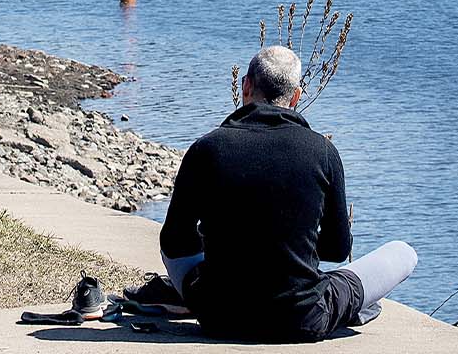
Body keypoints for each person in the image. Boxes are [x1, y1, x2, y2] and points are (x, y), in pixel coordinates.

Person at [155, 46, 418, 343]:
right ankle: (348, 306)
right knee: (403, 253)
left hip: (220, 316)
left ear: (246, 86)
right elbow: (337, 248)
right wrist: (290, 245)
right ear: (296, 96)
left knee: (178, 243)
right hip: (301, 318)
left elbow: (174, 241)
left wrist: (225, 243)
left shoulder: (207, 149)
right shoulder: (323, 152)